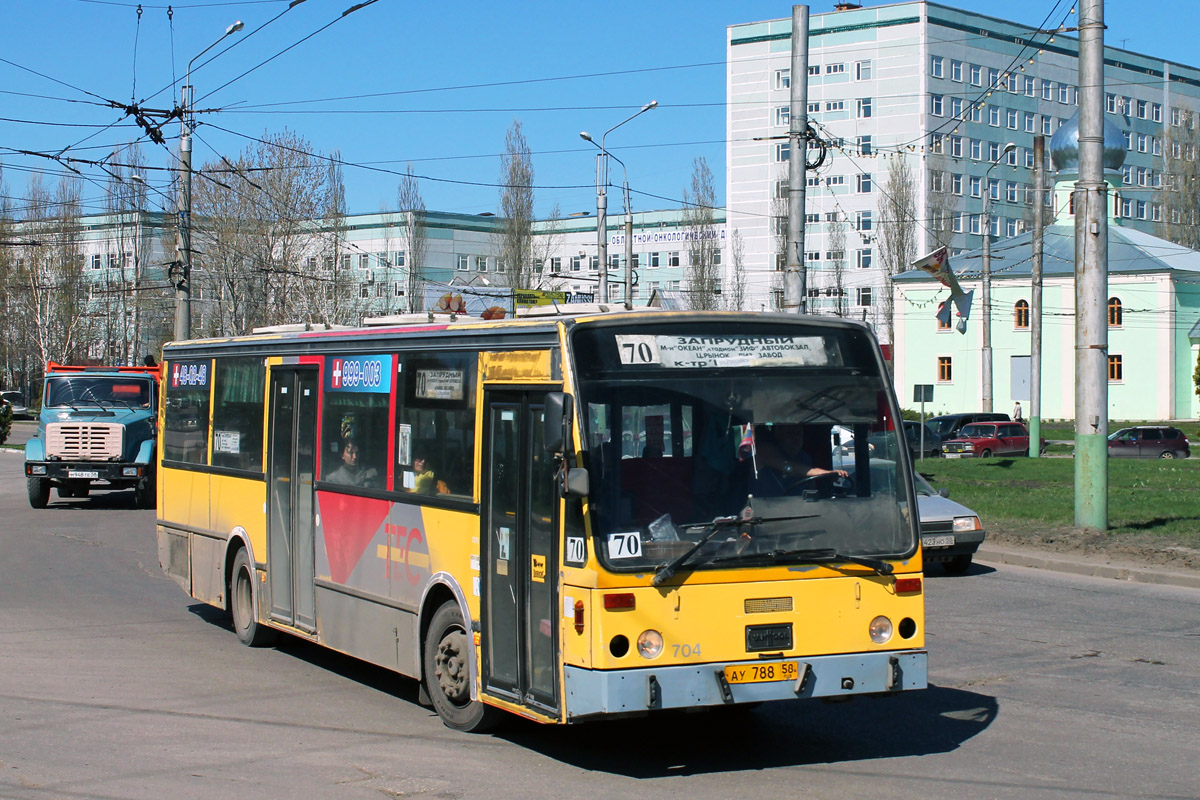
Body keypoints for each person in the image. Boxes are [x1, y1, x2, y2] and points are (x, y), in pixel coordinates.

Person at [750, 423, 848, 496]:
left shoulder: (804, 457)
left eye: (799, 433)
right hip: (767, 510)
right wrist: (826, 473)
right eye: (790, 433)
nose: (796, 437)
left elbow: (812, 488)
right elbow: (790, 468)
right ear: (778, 433)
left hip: (799, 509)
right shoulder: (763, 450)